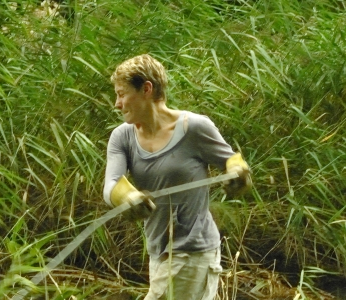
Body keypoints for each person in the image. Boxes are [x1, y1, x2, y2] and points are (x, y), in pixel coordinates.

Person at [103, 54, 251, 300]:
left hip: (193, 251)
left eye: (121, 93)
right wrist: (126, 196)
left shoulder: (194, 127)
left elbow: (231, 160)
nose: (117, 103)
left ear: (146, 89)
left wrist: (238, 173)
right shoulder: (122, 137)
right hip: (159, 252)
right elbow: (110, 185)